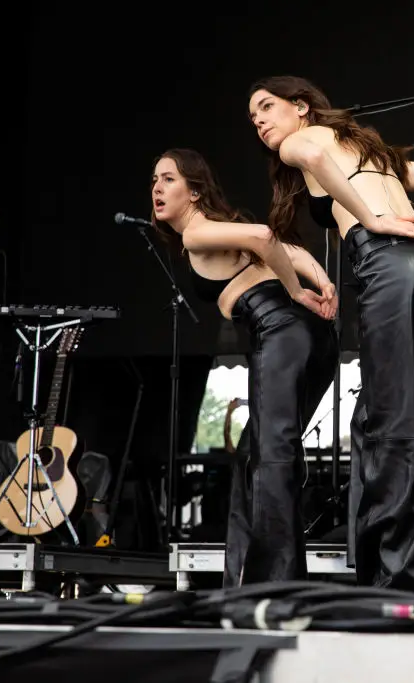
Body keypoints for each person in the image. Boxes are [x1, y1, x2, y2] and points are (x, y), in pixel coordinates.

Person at [247, 75, 414, 594]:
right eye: (252, 116)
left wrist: (375, 220)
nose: (259, 121)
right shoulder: (370, 152)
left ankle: (398, 581)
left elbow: (314, 159)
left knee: (388, 427)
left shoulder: (301, 141)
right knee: (382, 419)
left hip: (393, 267)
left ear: (301, 108)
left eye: (266, 107)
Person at [150, 148, 339, 586]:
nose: (157, 188)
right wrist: (324, 283)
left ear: (194, 191)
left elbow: (265, 238)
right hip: (313, 337)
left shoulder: (198, 234)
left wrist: (295, 291)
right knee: (260, 456)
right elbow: (288, 248)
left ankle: (271, 586)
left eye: (168, 179)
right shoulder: (215, 230)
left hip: (281, 331)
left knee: (270, 459)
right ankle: (249, 580)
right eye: (154, 181)